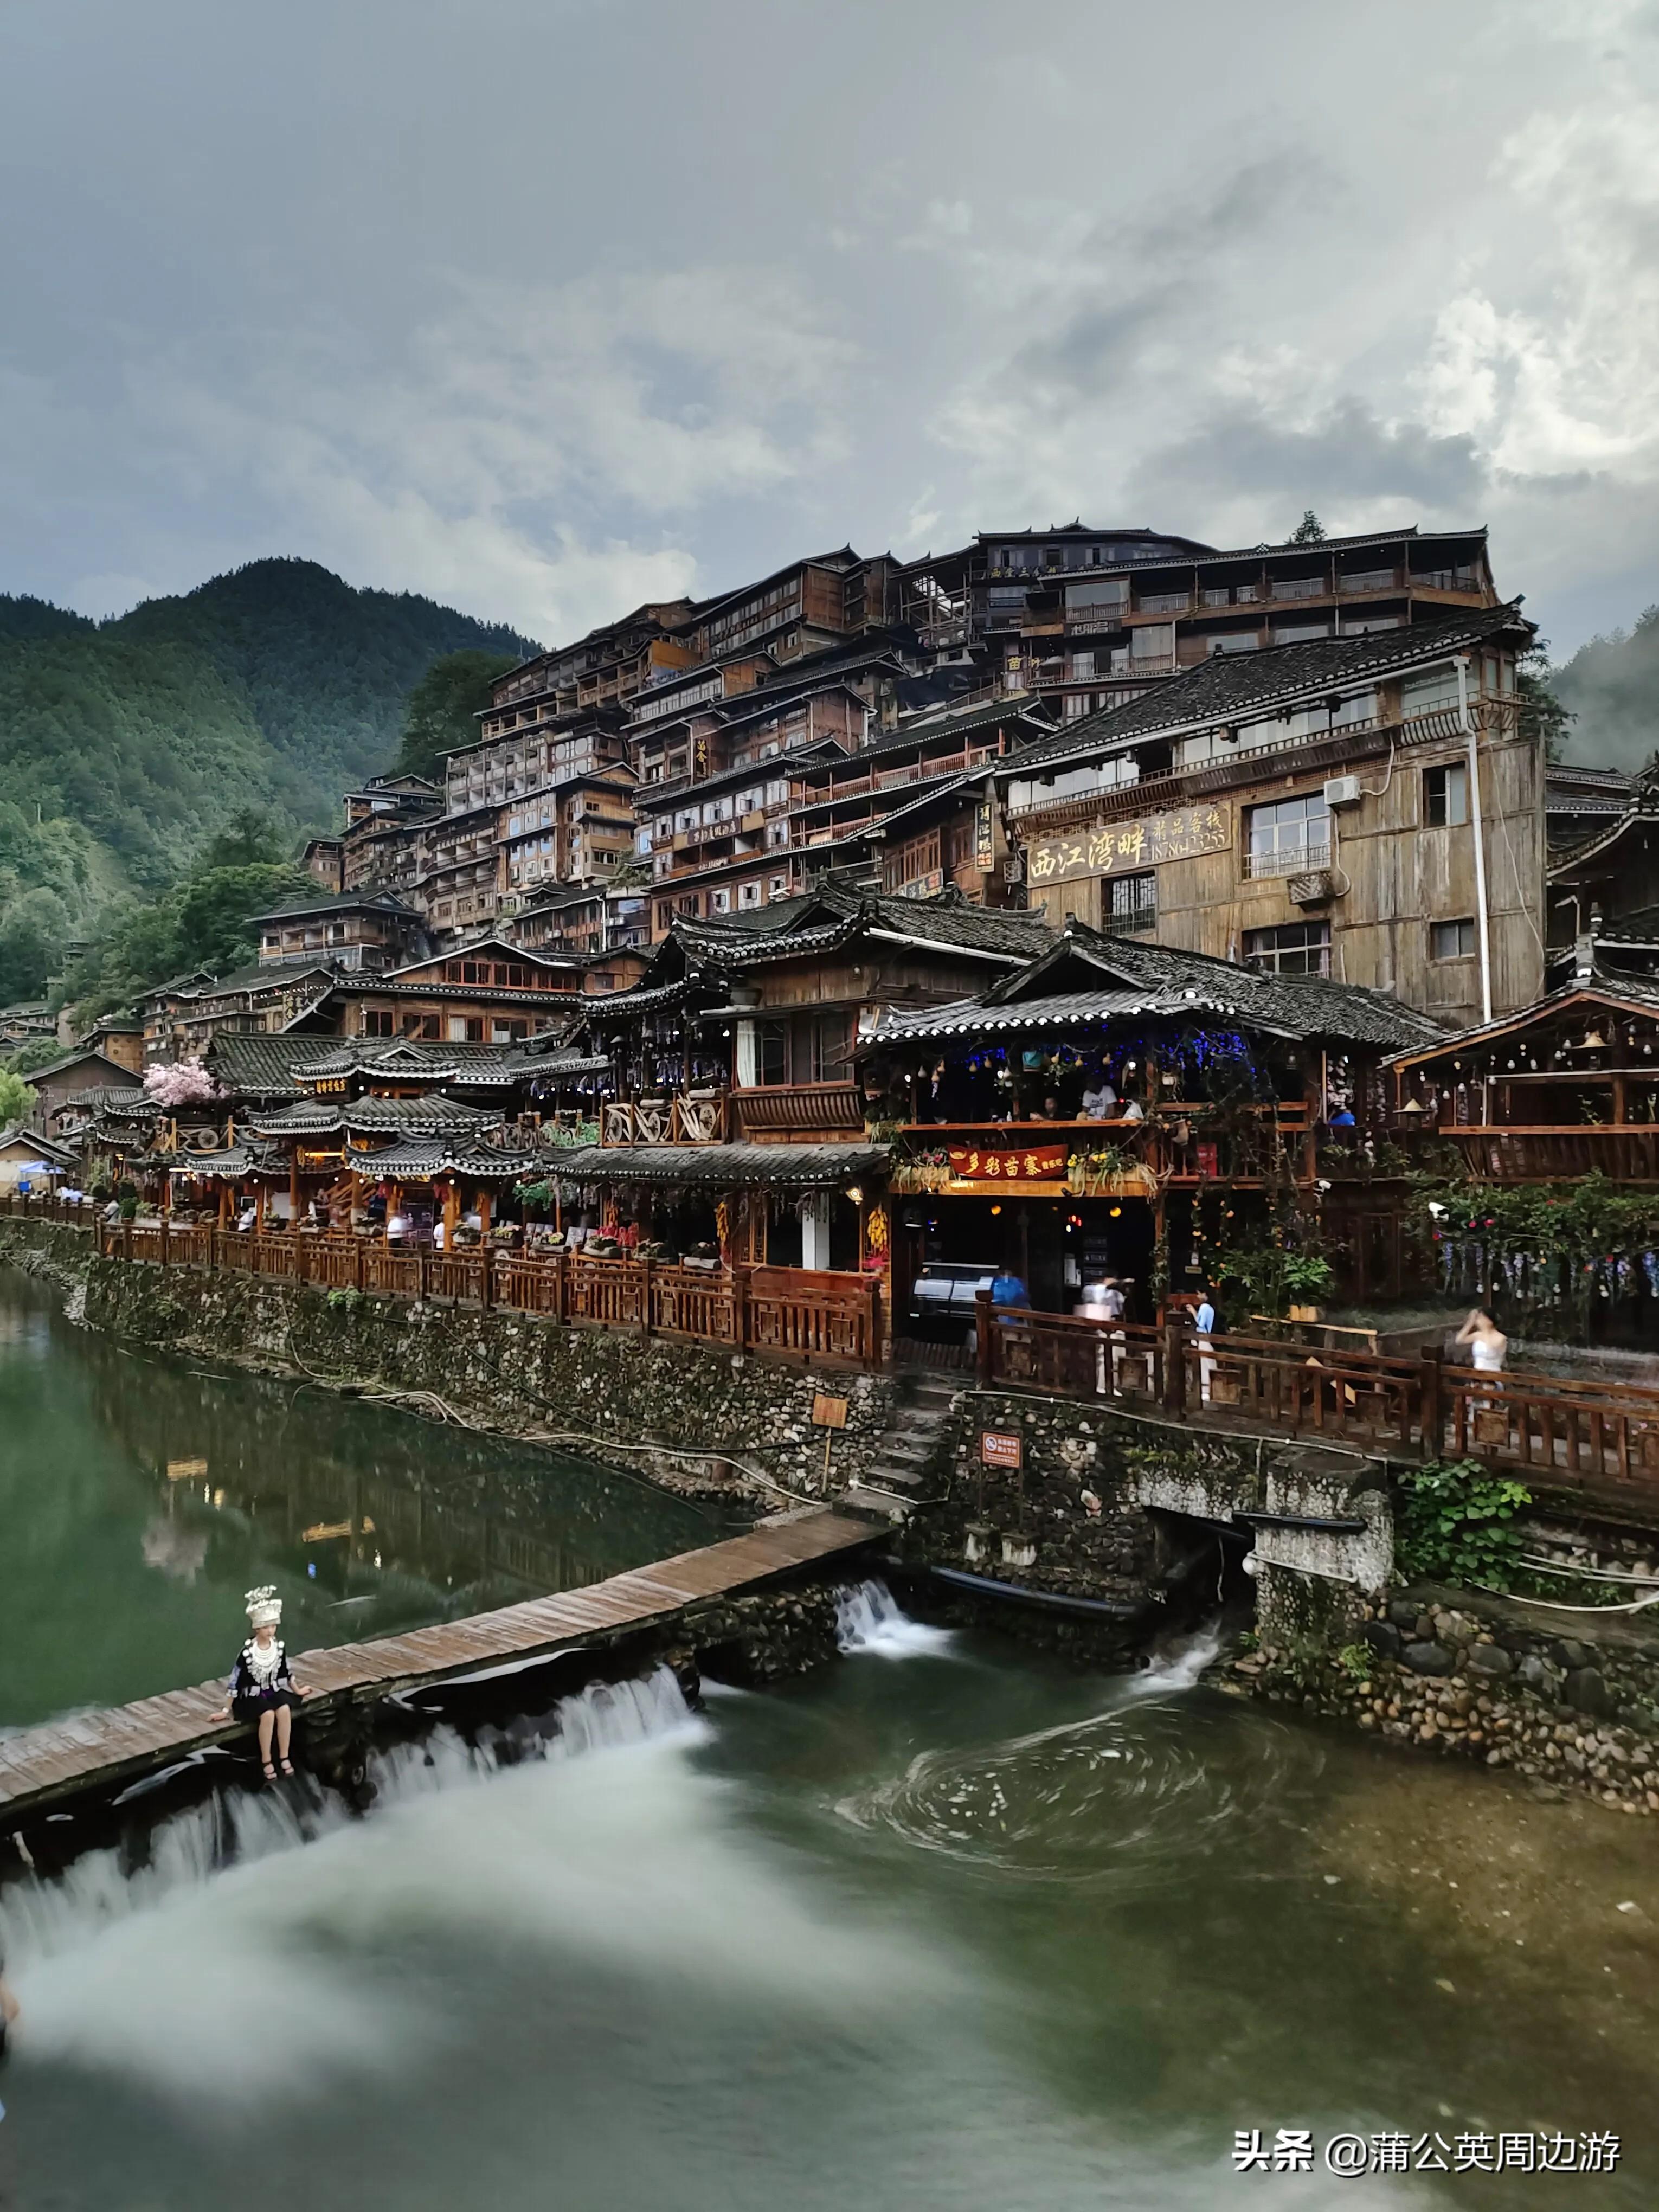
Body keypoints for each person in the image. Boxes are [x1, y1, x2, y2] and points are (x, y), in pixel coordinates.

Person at [211, 1586, 310, 1782]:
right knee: (267, 1715)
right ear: (257, 1628)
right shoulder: (248, 1653)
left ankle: (284, 1755)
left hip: (271, 1691)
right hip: (251, 1696)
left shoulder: (278, 1648)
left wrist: (298, 1690)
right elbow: (235, 1681)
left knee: (283, 1710)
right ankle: (266, 1760)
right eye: (266, 1627)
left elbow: (286, 1672)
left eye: (273, 1626)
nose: (271, 1631)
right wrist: (225, 1710)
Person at [1456, 1305, 1507, 1375]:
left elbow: (1490, 1349)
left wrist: (1486, 1330)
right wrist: (1470, 1323)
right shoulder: (1477, 1335)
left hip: (1493, 1377)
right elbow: (1459, 1341)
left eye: (1481, 1318)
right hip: (1477, 1376)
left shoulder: (1501, 1338)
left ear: (1490, 1321)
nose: (1478, 1320)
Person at [1194, 1284, 1219, 1405]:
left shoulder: (1204, 1307)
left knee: (1205, 1364)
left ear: (1205, 1294)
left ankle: (1206, 1391)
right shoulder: (1212, 1307)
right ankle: (1214, 1389)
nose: (1198, 1296)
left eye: (1199, 1294)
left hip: (1204, 1338)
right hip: (1210, 1338)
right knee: (1210, 1363)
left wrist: (1193, 1312)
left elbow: (1201, 1323)